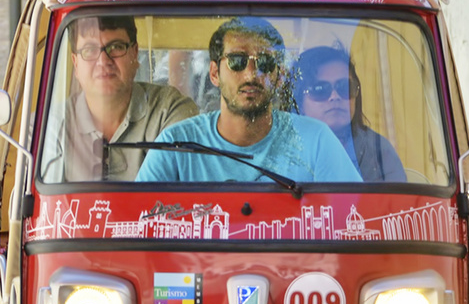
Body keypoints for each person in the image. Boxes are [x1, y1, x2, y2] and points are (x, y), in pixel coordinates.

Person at [136, 17, 361, 185]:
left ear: (279, 76)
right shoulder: (176, 145)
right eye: (237, 61)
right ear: (214, 73)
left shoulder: (316, 140)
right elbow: (139, 224)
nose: (251, 75)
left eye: (264, 63)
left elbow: (355, 218)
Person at [39, 15, 198, 182]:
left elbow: (184, 195)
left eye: (115, 47)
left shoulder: (169, 111)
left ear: (135, 54)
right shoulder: (50, 126)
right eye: (90, 50)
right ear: (75, 64)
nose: (103, 61)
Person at [288, 46, 408, 183]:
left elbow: (395, 203)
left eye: (345, 87)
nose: (334, 96)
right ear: (298, 103)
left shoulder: (378, 149)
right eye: (320, 89)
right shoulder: (279, 151)